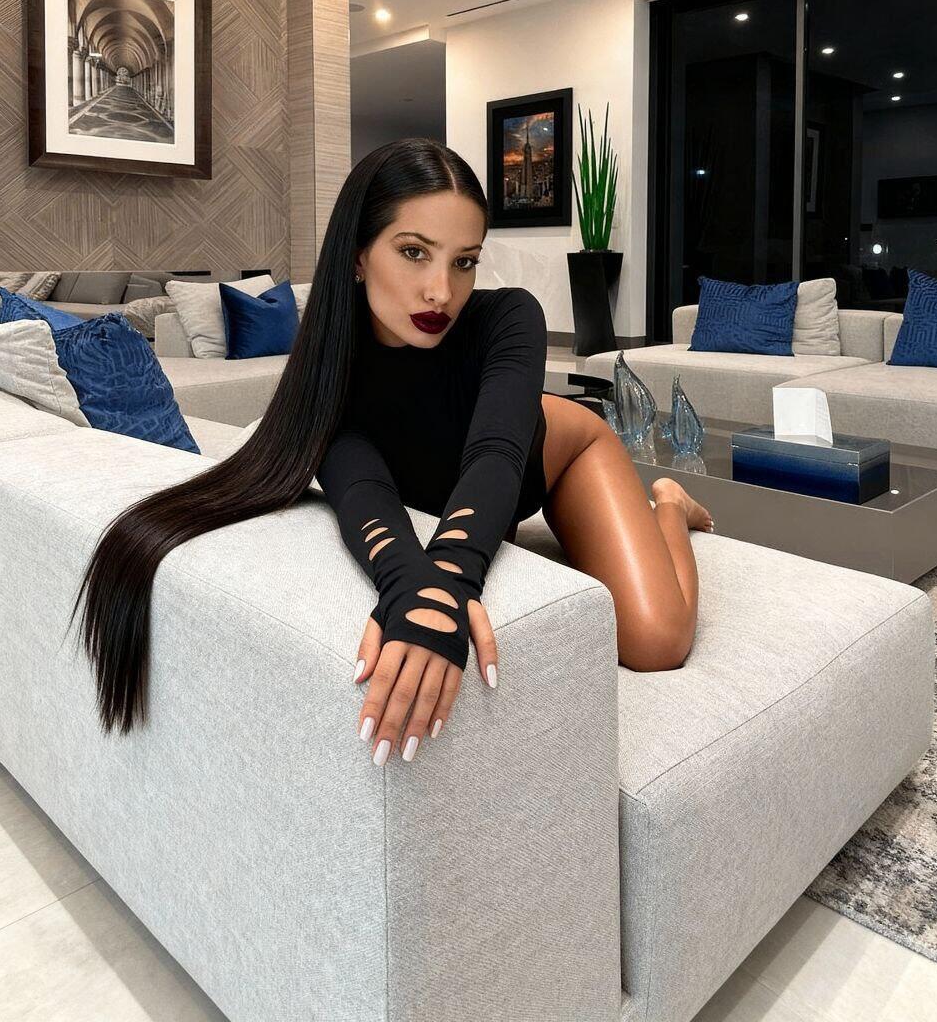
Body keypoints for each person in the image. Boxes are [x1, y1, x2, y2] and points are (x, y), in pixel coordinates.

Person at [69, 138, 711, 763]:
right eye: (413, 252)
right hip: (467, 471)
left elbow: (495, 454)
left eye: (464, 261)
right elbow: (362, 493)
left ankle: (669, 506)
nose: (441, 291)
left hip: (555, 453)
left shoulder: (509, 317)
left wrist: (449, 581)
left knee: (656, 641)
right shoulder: (333, 373)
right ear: (358, 255)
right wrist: (409, 587)